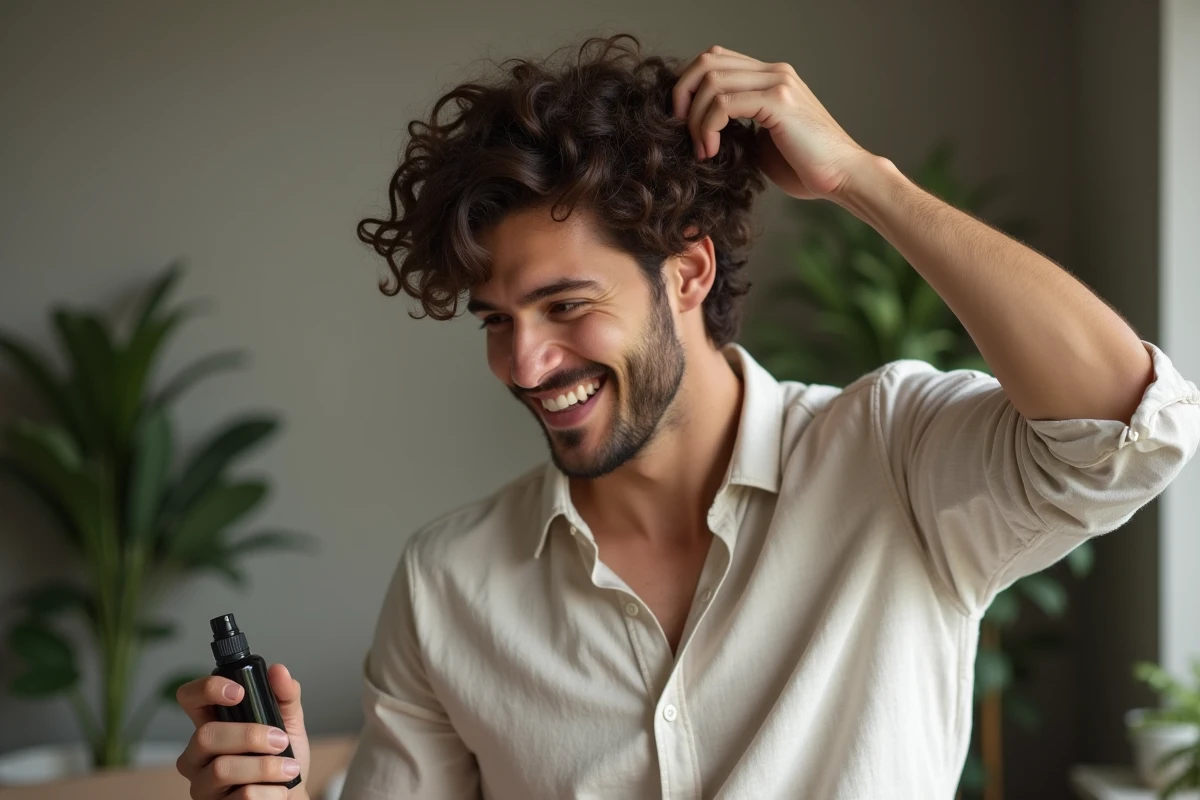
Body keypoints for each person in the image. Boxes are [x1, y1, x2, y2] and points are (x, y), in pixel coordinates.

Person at [174, 33, 1200, 799]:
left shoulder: (892, 458)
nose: (522, 362)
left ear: (691, 270)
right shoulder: (450, 584)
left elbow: (1127, 423)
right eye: (496, 318)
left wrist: (862, 181)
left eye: (567, 306)